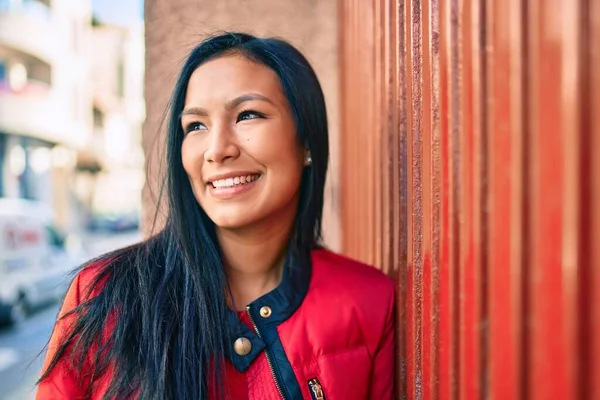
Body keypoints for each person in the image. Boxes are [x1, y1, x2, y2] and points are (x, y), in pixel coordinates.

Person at [36, 32, 395, 400]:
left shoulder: (367, 300)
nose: (217, 150)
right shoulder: (102, 295)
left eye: (248, 115)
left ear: (306, 142)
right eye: (196, 126)